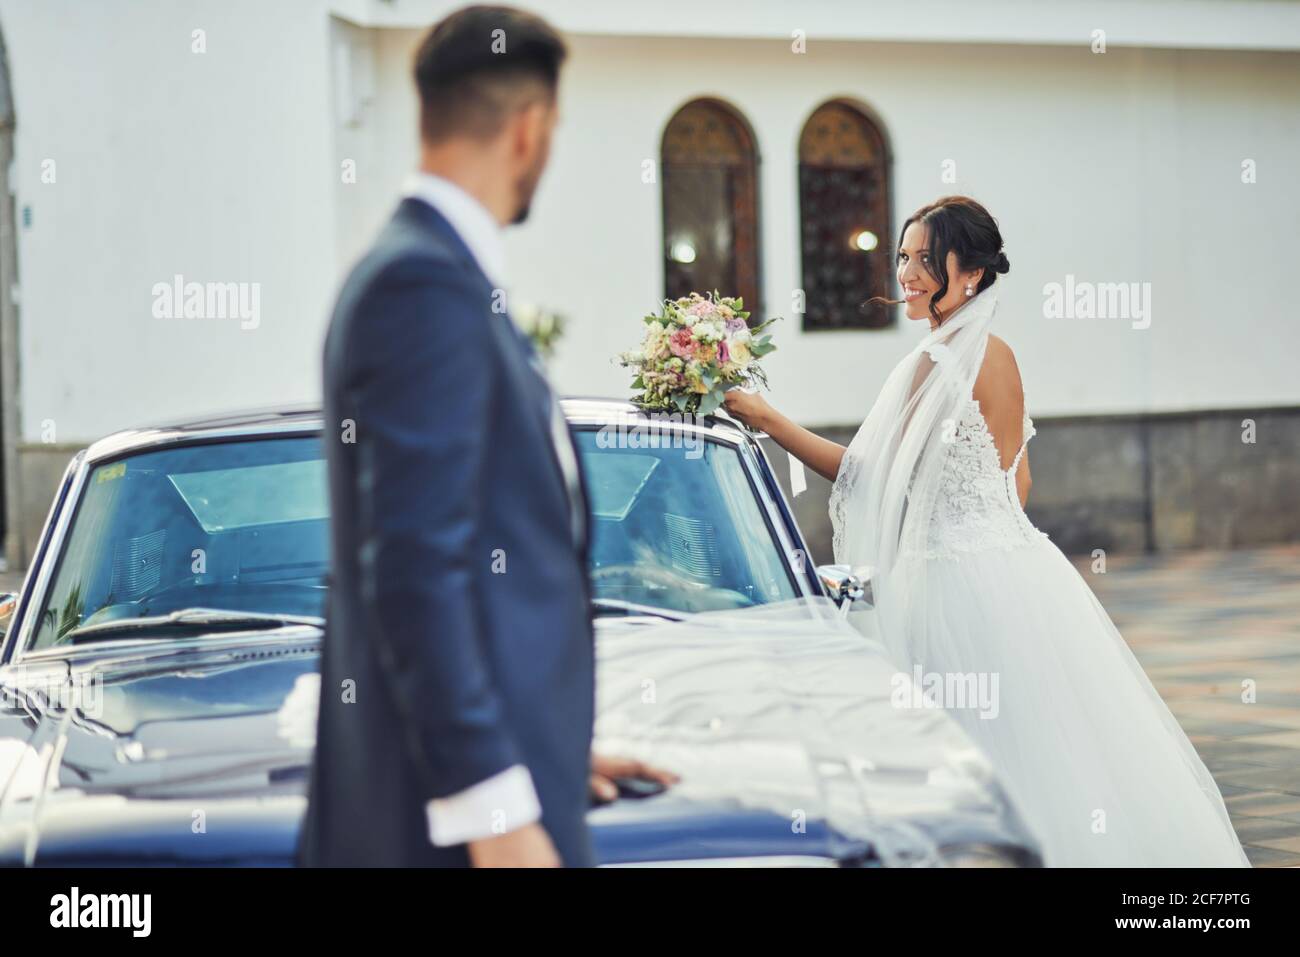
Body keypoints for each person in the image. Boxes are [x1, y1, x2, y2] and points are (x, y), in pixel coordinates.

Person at [724, 195, 1250, 866]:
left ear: (968, 272)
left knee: (970, 757)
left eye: (923, 259)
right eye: (903, 257)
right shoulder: (999, 354)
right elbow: (1017, 483)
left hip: (952, 581)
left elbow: (864, 476)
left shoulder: (935, 363)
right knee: (1057, 747)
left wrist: (769, 421)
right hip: (1025, 573)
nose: (906, 272)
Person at [300, 4, 674, 868]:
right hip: (443, 834)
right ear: (529, 128)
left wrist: (540, 754)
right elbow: (414, 567)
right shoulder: (421, 288)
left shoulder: (432, 275)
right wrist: (493, 807)